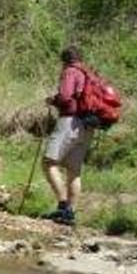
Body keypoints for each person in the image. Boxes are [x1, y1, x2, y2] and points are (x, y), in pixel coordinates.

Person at [42, 45, 95, 227]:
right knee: (74, 170)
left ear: (64, 60)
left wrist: (53, 100)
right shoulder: (88, 74)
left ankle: (63, 205)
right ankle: (70, 214)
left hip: (69, 122)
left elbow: (65, 96)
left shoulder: (70, 72)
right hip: (87, 126)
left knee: (49, 162)